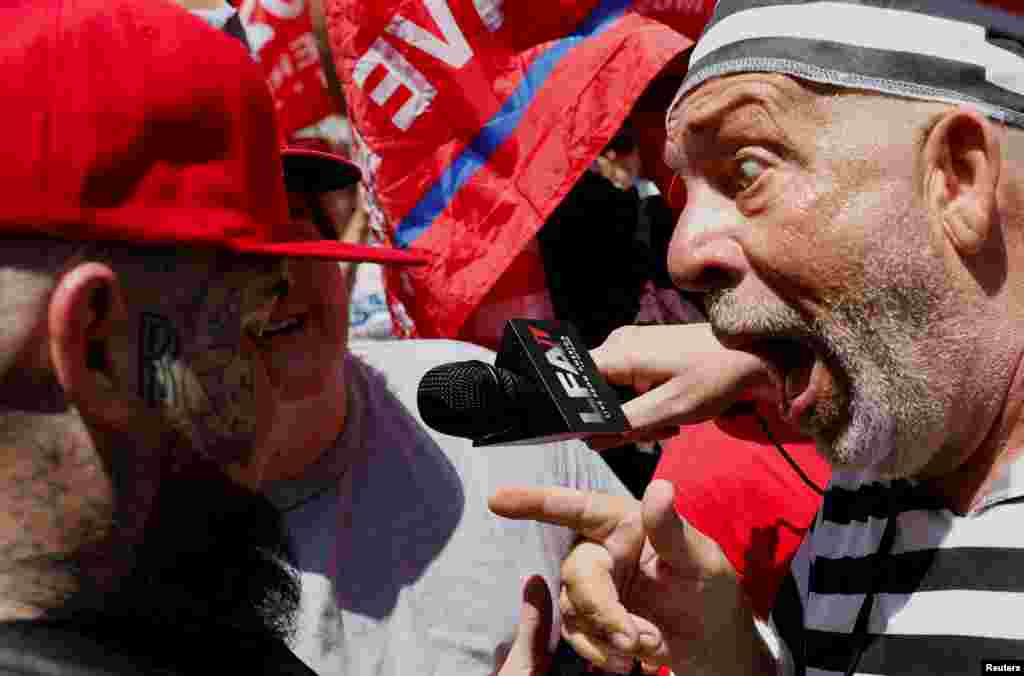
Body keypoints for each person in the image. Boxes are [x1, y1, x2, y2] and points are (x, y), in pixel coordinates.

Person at [491, 1, 1024, 674]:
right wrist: (721, 646)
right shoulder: (877, 479)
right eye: (681, 186)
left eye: (747, 170)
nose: (682, 252)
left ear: (957, 179)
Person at [251, 145, 634, 676]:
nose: (279, 280)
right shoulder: (132, 539)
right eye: (235, 254)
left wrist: (603, 576)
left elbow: (646, 573)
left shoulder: (476, 387)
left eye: (293, 235)